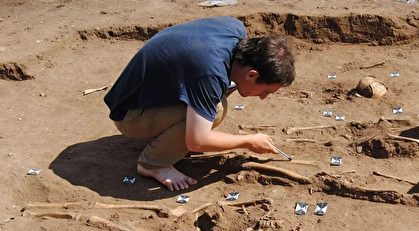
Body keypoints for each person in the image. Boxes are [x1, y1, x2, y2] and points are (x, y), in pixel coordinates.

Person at [104, 16, 295, 191]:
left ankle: (169, 139)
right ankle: (153, 164)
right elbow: (197, 141)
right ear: (252, 75)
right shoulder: (209, 72)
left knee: (211, 104)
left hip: (141, 95)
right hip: (128, 115)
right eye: (266, 91)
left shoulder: (235, 31)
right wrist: (248, 141)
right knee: (216, 110)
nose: (263, 98)